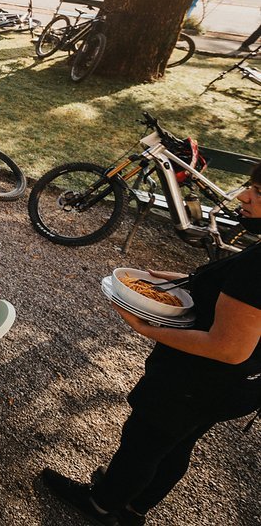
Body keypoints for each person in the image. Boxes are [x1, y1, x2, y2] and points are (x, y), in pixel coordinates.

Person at [40, 164, 261, 526]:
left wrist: (146, 328)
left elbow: (229, 348)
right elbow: (229, 294)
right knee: (176, 445)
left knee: (144, 442)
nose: (244, 196)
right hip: (234, 388)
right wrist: (186, 280)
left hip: (197, 383)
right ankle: (133, 507)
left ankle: (100, 503)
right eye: (250, 186)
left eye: (259, 192)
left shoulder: (258, 267)